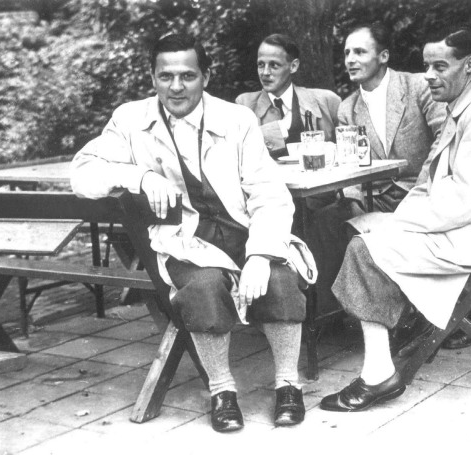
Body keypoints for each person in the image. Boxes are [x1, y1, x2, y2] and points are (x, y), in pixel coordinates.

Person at [70, 33, 307, 432]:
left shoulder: (237, 119)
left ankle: (288, 384)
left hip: (243, 230)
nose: (176, 87)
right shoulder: (130, 119)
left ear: (206, 77)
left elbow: (269, 193)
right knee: (203, 286)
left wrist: (261, 255)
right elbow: (82, 174)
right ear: (152, 78)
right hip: (185, 240)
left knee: (280, 279)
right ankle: (222, 390)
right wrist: (140, 176)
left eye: (187, 76)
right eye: (165, 76)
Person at [320, 29, 471, 412]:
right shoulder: (465, 107)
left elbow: (462, 202)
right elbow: (433, 186)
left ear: (469, 66)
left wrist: (395, 225)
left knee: (364, 249)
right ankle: (396, 332)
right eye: (426, 67)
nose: (429, 76)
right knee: (360, 233)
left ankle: (378, 373)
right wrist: (394, 219)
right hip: (469, 225)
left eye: (440, 66)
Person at [308, 22, 446, 332]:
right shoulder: (347, 109)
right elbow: (350, 165)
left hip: (424, 194)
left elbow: (444, 140)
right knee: (325, 221)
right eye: (347, 53)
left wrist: (421, 192)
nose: (350, 60)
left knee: (369, 238)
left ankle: (404, 318)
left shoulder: (418, 87)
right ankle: (329, 317)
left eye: (359, 52)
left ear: (383, 56)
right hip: (378, 197)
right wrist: (354, 201)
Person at [235, 33, 340, 159]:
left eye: (274, 65)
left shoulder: (326, 101)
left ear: (293, 66)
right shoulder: (246, 104)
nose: (265, 72)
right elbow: (239, 150)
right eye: (261, 64)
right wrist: (279, 129)